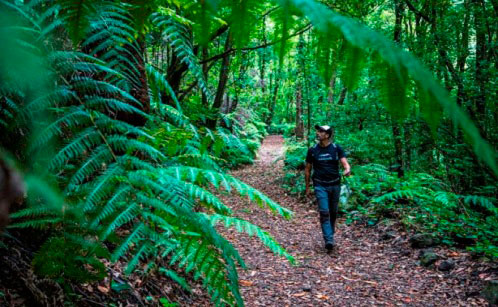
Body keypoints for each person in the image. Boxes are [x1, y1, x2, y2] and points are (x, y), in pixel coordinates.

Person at [305, 125, 350, 251]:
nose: (318, 133)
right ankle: (328, 239)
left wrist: (347, 170)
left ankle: (330, 233)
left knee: (333, 212)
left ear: (327, 135)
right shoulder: (312, 150)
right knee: (324, 212)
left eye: (321, 131)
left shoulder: (336, 148)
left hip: (335, 184)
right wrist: (307, 188)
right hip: (320, 185)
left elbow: (345, 163)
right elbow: (307, 169)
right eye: (318, 131)